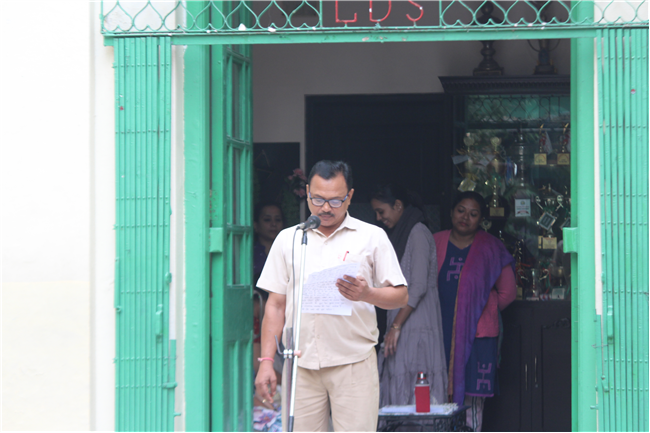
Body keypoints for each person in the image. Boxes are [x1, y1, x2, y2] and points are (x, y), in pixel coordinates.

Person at [255, 160, 409, 432]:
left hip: (353, 364)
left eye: (335, 201)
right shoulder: (289, 239)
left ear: (350, 196)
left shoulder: (371, 237)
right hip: (300, 364)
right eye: (318, 199)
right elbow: (275, 306)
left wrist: (368, 293)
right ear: (307, 193)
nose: (325, 208)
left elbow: (401, 296)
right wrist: (267, 361)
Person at [434, 191, 516, 432]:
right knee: (437, 395)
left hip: (477, 335)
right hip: (439, 330)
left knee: (472, 401)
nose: (465, 217)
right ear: (451, 212)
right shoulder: (436, 241)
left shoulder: (491, 247)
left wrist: (479, 309)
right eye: (461, 210)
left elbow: (508, 293)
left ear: (481, 220)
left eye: (473, 214)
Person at [370, 184, 447, 407]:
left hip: (416, 320)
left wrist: (396, 326)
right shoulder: (399, 233)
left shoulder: (418, 232)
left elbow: (419, 286)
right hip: (402, 320)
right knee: (401, 378)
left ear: (398, 206)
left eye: (381, 211)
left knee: (416, 381)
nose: (378, 218)